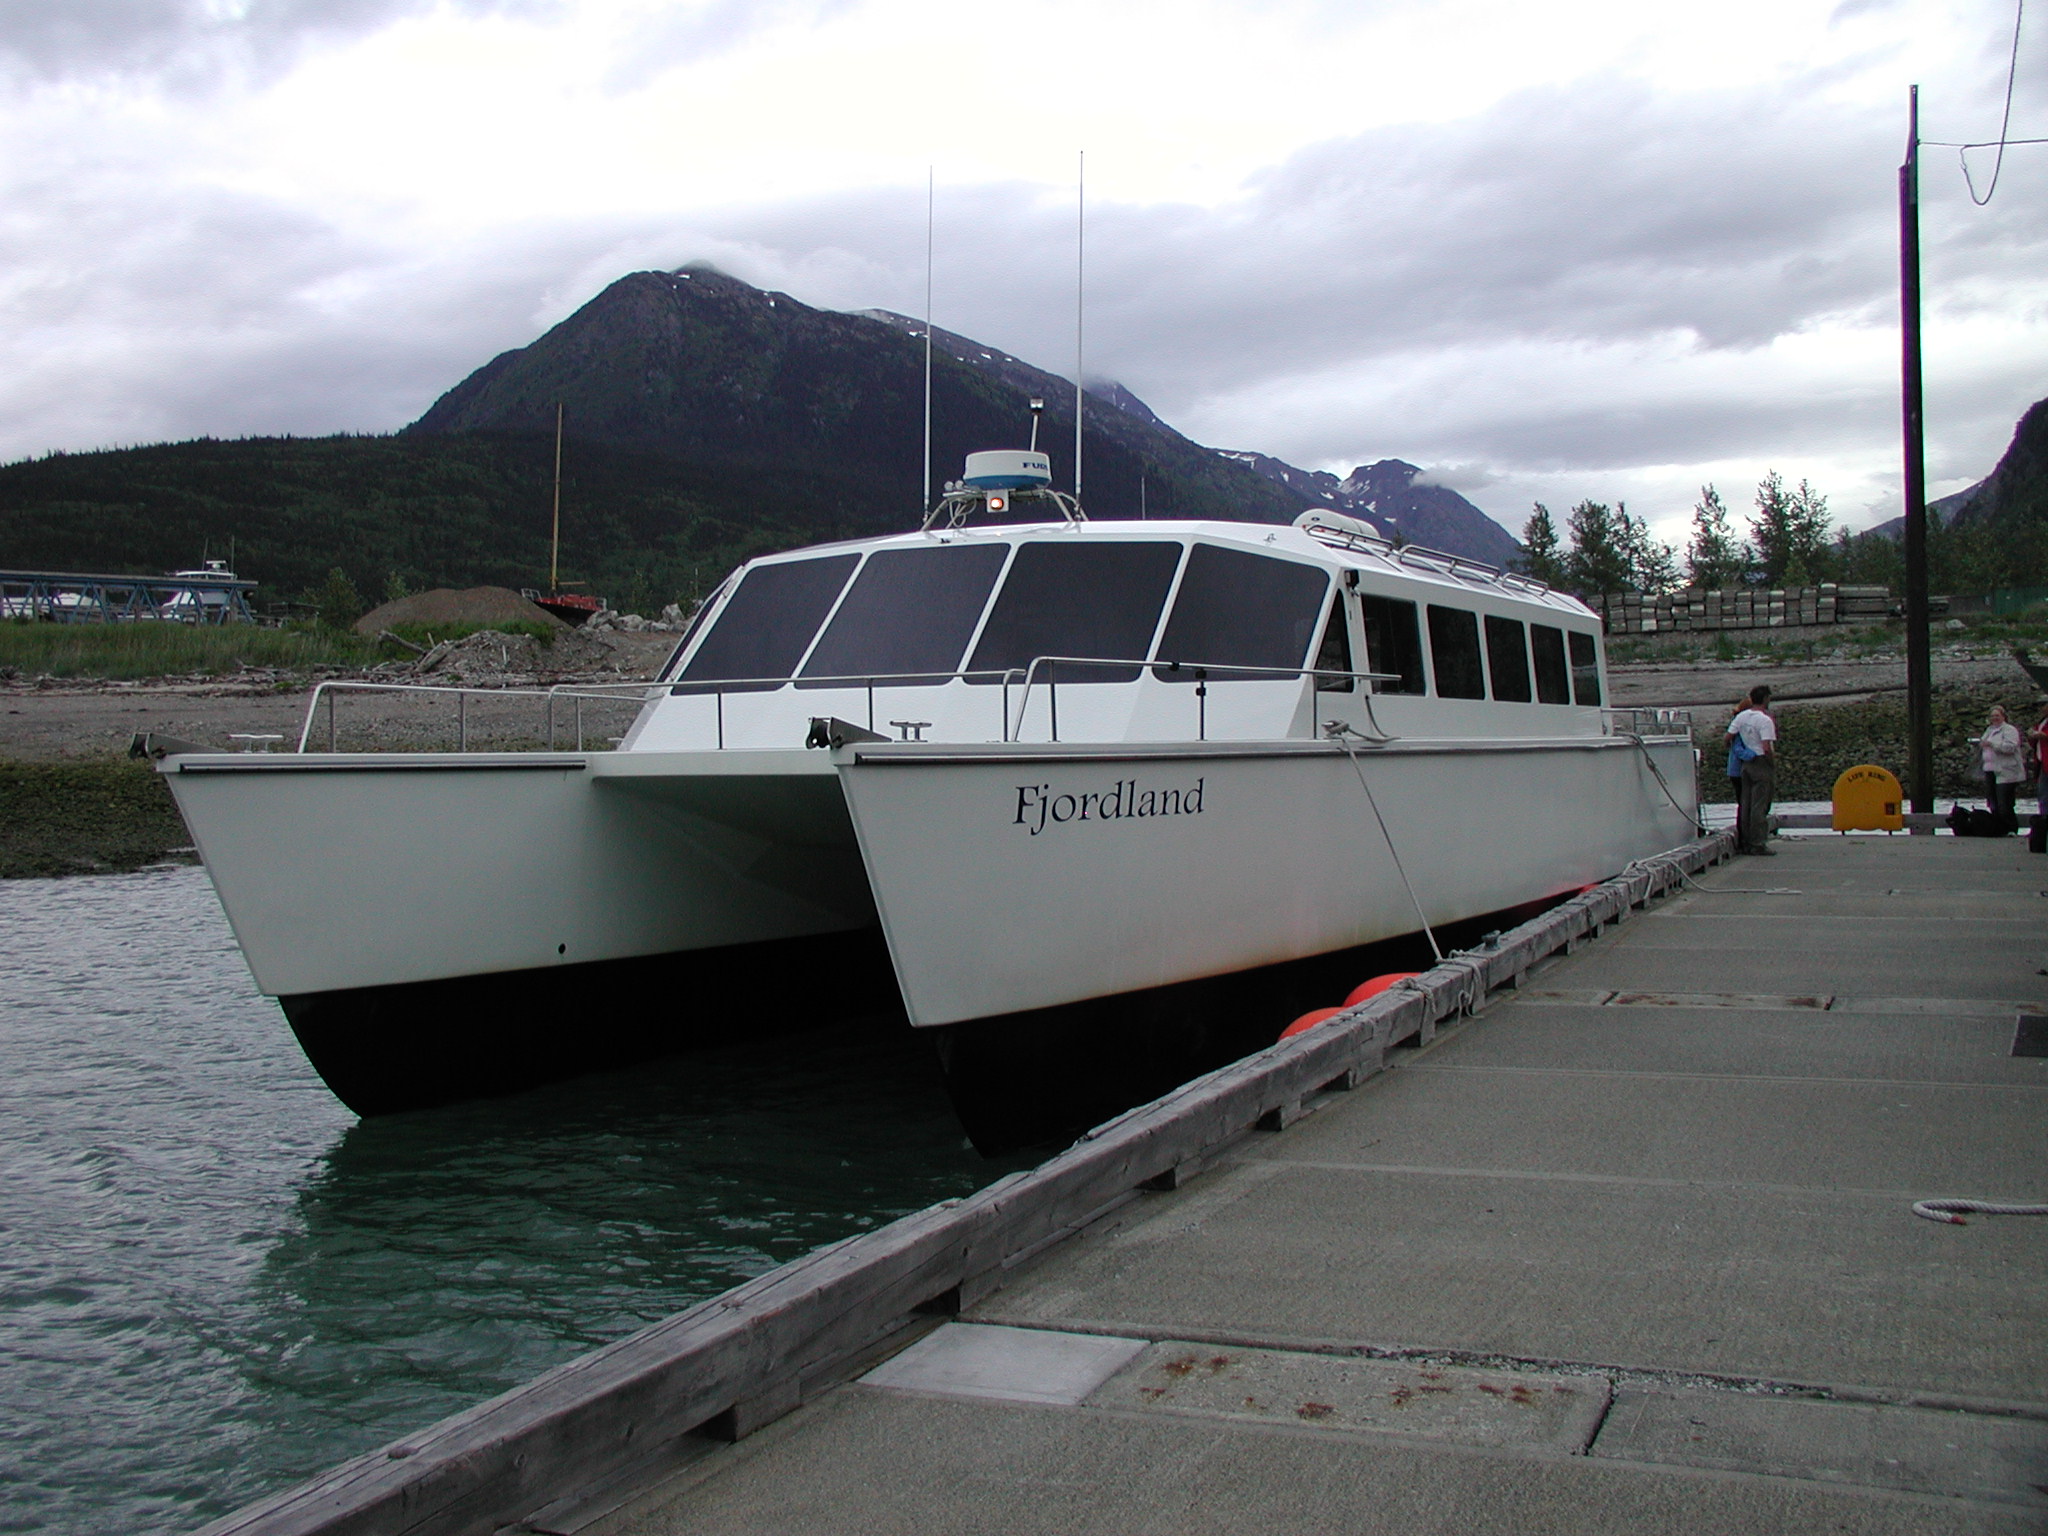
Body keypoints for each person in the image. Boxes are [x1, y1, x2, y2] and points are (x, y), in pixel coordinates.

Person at [1727, 685, 1777, 855]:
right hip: (1760, 760)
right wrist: (1770, 763)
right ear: (1765, 699)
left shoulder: (1742, 716)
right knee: (1760, 804)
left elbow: (1728, 737)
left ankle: (1745, 841)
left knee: (1745, 804)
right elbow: (1766, 746)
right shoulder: (1764, 720)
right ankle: (1758, 843)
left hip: (1746, 765)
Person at [1974, 705, 2025, 836]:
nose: (1994, 718)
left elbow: (2010, 747)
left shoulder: (2009, 730)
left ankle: (2011, 829)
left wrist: (1992, 744)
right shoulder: (1989, 730)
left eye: (1997, 716)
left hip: (2006, 770)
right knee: (1993, 801)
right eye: (1992, 716)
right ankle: (1998, 828)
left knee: (2005, 803)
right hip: (1990, 769)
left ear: (2003, 716)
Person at [2025, 704, 2048, 854]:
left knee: (2045, 795)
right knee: (2042, 796)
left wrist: (2044, 736)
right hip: (2041, 763)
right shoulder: (2042, 722)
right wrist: (2032, 736)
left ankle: (2044, 825)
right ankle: (2042, 825)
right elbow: (2035, 742)